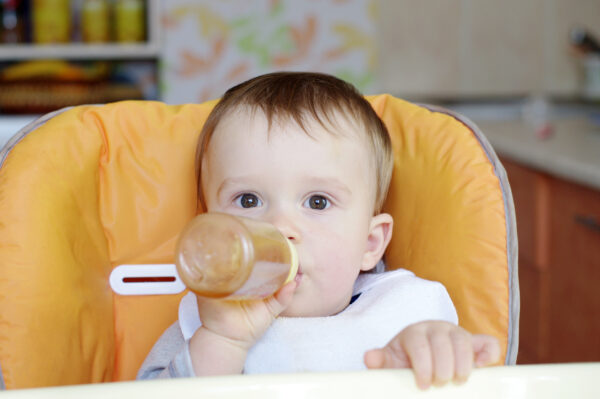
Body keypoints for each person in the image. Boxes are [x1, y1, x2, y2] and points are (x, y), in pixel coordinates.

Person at [137, 72, 500, 389]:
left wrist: (432, 358)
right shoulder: (206, 324)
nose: (280, 229)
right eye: (248, 201)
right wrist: (222, 342)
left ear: (370, 244)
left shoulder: (405, 315)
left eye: (317, 202)